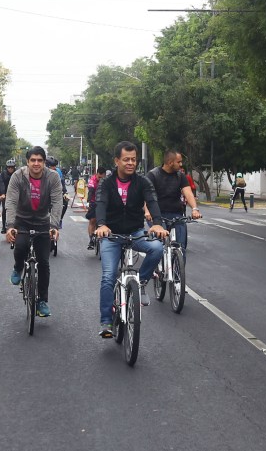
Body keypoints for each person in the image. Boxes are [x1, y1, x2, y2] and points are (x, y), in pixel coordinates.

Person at [95, 141, 168, 339]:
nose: (130, 163)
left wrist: (157, 224)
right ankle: (106, 322)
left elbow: (152, 201)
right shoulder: (106, 183)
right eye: (126, 159)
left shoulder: (143, 182)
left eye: (133, 160)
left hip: (135, 233)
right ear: (117, 161)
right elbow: (100, 203)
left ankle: (141, 282)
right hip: (111, 235)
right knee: (108, 276)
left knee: (157, 248)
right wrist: (101, 225)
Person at [5, 145, 63, 318]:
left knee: (44, 262)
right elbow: (11, 201)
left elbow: (57, 202)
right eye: (33, 160)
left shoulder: (52, 177)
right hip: (21, 220)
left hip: (43, 222)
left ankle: (42, 301)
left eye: (40, 160)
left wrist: (54, 227)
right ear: (27, 162)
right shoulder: (18, 176)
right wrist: (10, 226)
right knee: (20, 247)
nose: (36, 163)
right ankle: (18, 268)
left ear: (44, 162)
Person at [146, 150, 201, 253]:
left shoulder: (180, 176)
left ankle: (178, 261)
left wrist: (195, 209)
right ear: (170, 162)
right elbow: (146, 195)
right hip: (157, 215)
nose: (181, 164)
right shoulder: (153, 175)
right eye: (178, 162)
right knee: (159, 246)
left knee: (181, 247)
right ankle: (159, 259)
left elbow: (188, 193)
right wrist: (147, 211)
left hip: (176, 214)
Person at [85, 166, 106, 248]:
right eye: (99, 177)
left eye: (102, 177)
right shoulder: (92, 180)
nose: (100, 179)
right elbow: (90, 192)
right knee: (92, 220)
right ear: (96, 174)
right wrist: (89, 202)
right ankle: (91, 239)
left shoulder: (106, 180)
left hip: (103, 202)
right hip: (94, 201)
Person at [1, 159, 18, 229]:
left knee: (16, 209)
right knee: (5, 210)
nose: (10, 169)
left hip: (15, 194)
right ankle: (4, 226)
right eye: (9, 167)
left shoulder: (17, 174)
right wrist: (2, 193)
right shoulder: (3, 174)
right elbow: (1, 184)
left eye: (12, 167)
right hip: (6, 193)